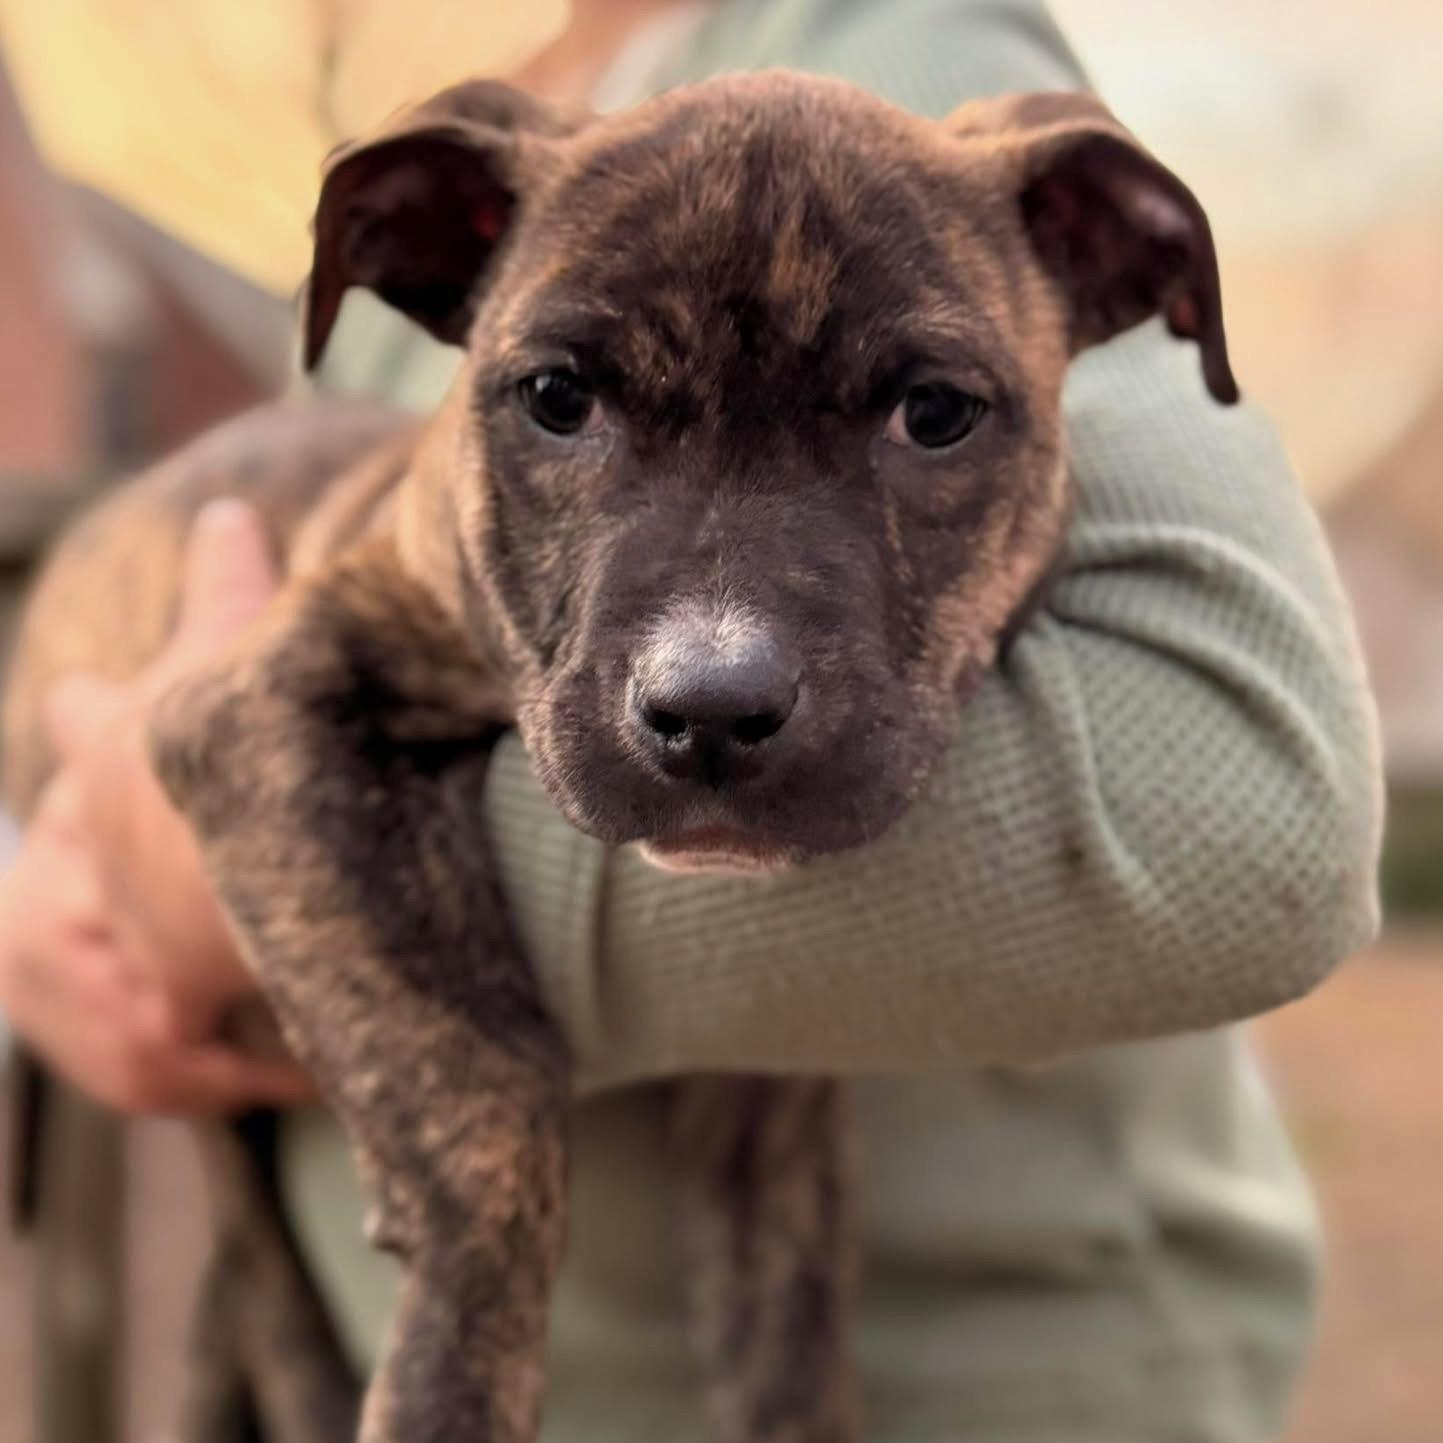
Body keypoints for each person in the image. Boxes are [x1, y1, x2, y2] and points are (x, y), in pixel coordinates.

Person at [0, 2, 1383, 1441]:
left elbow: (1258, 820)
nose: (711, 657)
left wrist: (246, 901)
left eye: (924, 414)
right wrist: (63, 900)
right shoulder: (516, 174)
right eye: (558, 401)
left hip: (1001, 1390)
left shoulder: (910, 58)